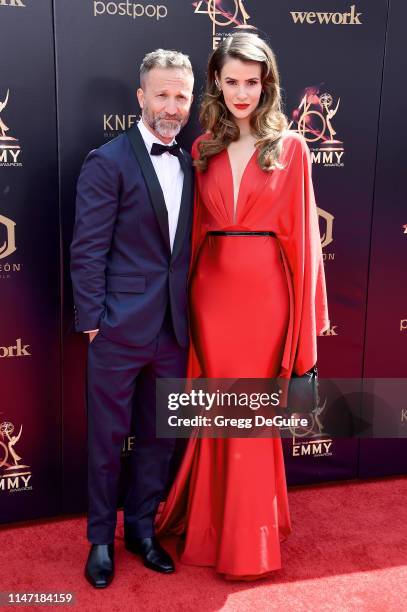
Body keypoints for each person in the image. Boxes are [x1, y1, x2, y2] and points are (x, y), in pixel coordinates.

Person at [156, 33, 330, 580]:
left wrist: (306, 326)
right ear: (216, 83)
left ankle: (246, 545)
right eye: (230, 81)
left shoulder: (292, 148)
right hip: (210, 298)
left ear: (266, 85)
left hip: (264, 300)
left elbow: (304, 242)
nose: (241, 92)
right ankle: (208, 533)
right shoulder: (203, 147)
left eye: (251, 82)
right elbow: (192, 237)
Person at [70, 49, 194, 588]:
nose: (172, 106)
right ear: (140, 96)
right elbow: (87, 248)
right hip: (117, 328)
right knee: (106, 437)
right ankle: (100, 539)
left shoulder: (192, 162)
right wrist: (92, 321)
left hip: (173, 328)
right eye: (162, 94)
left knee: (158, 438)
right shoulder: (109, 160)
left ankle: (142, 531)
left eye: (181, 96)